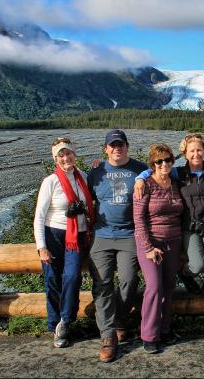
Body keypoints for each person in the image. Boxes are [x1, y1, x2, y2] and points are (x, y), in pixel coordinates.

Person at [134, 133, 204, 294]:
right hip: (189, 226)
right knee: (196, 265)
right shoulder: (178, 173)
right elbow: (157, 168)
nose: (196, 154)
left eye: (199, 150)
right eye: (191, 151)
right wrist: (140, 178)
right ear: (185, 154)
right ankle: (185, 274)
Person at [87, 129, 148, 362]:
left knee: (129, 280)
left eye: (120, 144)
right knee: (102, 284)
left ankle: (119, 319)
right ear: (105, 149)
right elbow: (83, 195)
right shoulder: (95, 171)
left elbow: (164, 172)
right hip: (101, 235)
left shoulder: (141, 169)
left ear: (127, 146)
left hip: (129, 234)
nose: (116, 148)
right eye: (112, 145)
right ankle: (108, 336)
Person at [34, 137, 95, 348]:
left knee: (71, 276)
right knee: (52, 280)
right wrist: (41, 247)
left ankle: (66, 321)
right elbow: (39, 217)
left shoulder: (84, 178)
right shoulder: (50, 182)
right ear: (55, 159)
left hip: (76, 236)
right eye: (61, 155)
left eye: (68, 153)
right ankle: (54, 324)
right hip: (54, 235)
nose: (65, 157)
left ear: (74, 154)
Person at [133, 143, 184, 354]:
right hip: (151, 242)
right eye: (159, 161)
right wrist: (148, 247)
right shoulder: (144, 184)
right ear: (152, 164)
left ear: (172, 161)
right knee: (154, 287)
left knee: (169, 286)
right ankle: (149, 335)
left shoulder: (176, 183)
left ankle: (165, 329)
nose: (164, 164)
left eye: (167, 160)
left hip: (174, 240)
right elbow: (138, 219)